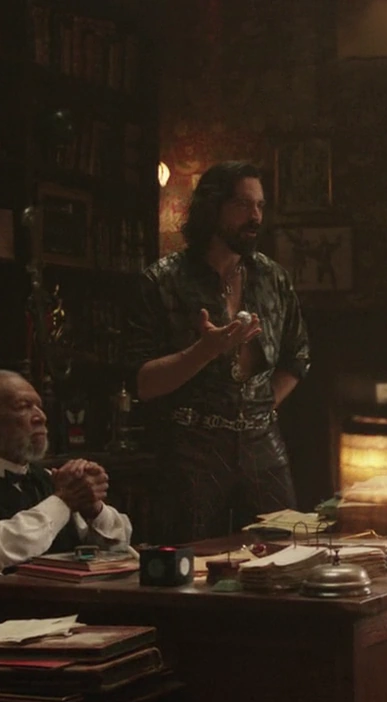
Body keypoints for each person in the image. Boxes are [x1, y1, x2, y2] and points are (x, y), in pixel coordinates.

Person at [128, 161, 311, 542]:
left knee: (284, 551)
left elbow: (296, 357)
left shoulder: (273, 278)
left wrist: (258, 408)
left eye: (260, 206)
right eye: (243, 205)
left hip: (262, 445)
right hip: (191, 449)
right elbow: (142, 382)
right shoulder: (162, 281)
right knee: (187, 559)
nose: (255, 216)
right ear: (212, 208)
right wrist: (204, 351)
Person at [0, 370, 131, 574]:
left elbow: (118, 546)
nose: (41, 417)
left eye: (39, 407)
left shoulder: (49, 478)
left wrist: (93, 508)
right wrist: (62, 502)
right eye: (23, 407)